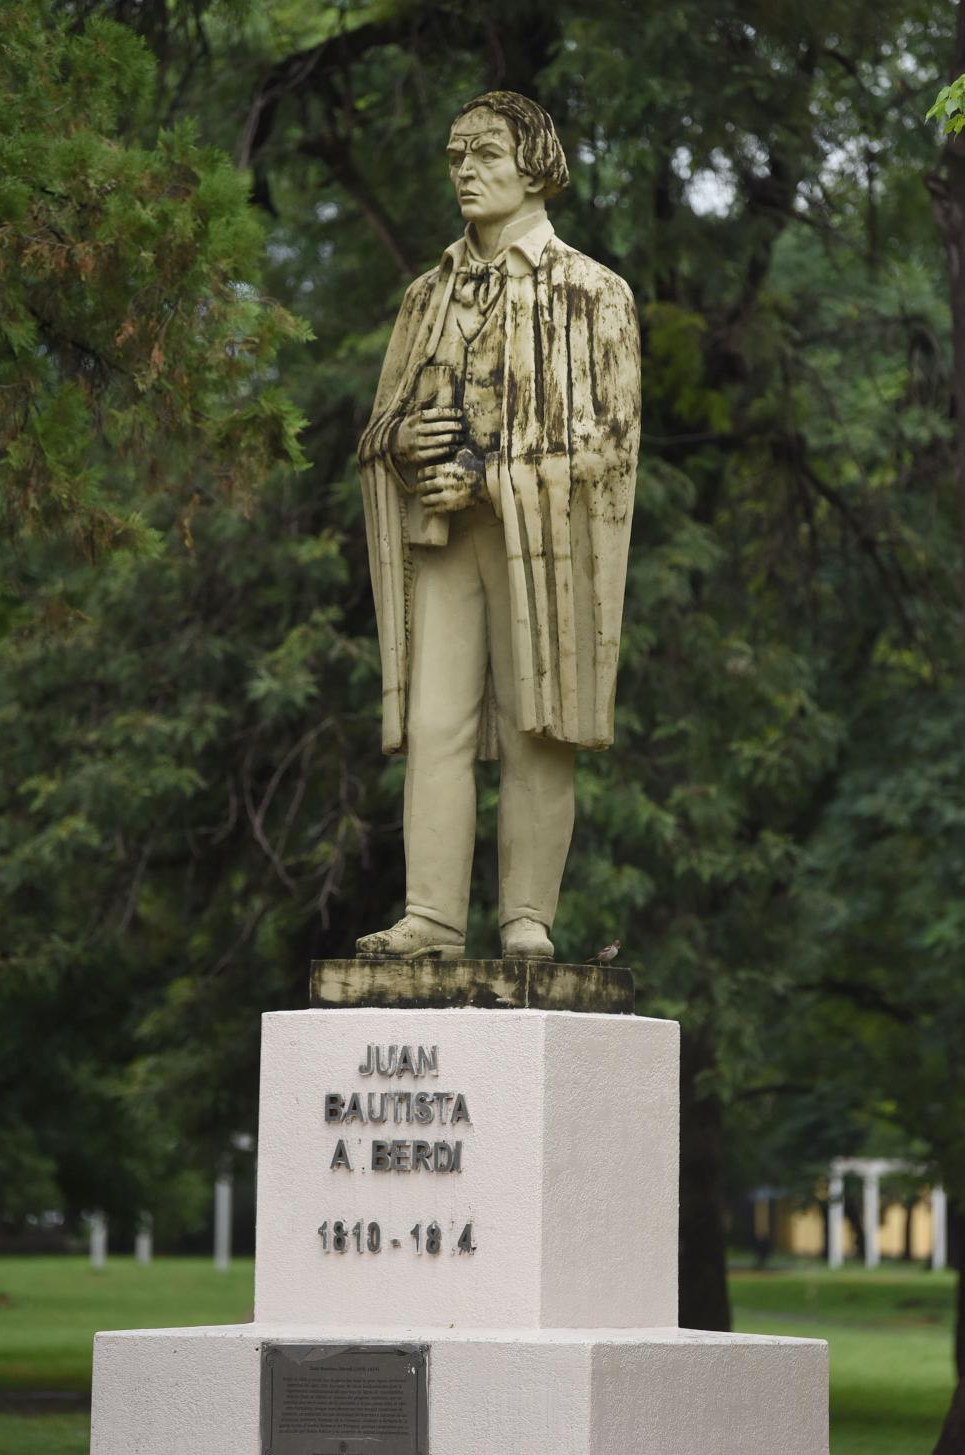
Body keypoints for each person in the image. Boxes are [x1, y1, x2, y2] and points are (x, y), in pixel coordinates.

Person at [356, 90, 640, 962]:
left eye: (485, 153)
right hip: (441, 539)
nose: (467, 172)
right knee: (435, 724)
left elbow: (612, 443)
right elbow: (378, 436)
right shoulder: (425, 297)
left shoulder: (595, 294)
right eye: (456, 157)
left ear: (536, 164)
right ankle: (432, 919)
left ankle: (526, 919)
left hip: (541, 547)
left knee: (536, 723)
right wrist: (404, 446)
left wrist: (496, 474)